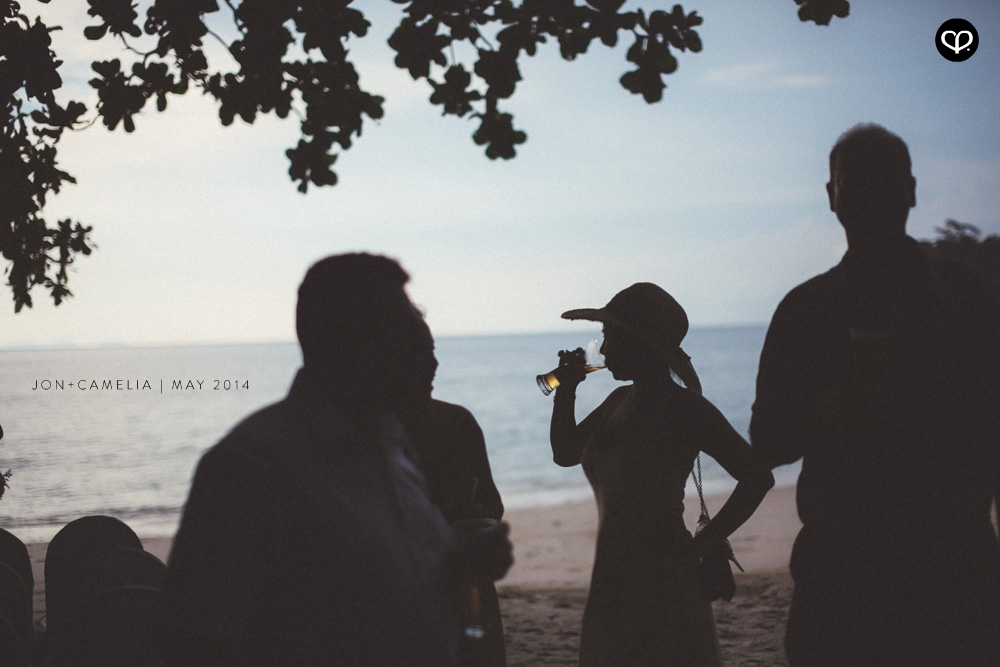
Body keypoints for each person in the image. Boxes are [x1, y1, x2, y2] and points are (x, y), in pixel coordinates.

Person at [158, 253, 513, 666]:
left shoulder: (393, 447)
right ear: (350, 343)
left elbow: (383, 585)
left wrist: (453, 565)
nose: (426, 363)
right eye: (407, 343)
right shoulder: (251, 465)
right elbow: (191, 636)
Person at [750, 124, 1000, 666]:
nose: (868, 195)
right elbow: (766, 444)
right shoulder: (806, 310)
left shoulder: (964, 297)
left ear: (909, 191)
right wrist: (837, 405)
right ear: (832, 197)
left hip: (952, 572)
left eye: (880, 181)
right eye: (854, 181)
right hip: (843, 577)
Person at [548, 282, 774, 666]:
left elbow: (758, 477)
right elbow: (565, 453)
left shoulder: (686, 409)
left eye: (611, 337)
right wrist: (566, 391)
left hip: (665, 574)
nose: (602, 350)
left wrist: (700, 548)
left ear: (641, 343)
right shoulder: (618, 401)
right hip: (611, 572)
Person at [398, 313, 508, 667]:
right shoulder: (361, 439)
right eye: (417, 353)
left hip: (468, 591)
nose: (433, 363)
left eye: (431, 350)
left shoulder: (458, 422)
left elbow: (493, 504)